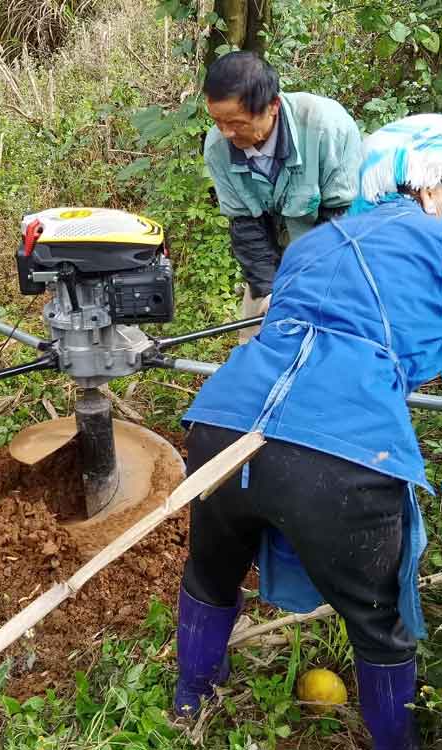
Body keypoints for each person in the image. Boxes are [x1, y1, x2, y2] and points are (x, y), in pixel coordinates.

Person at [174, 114, 442, 750]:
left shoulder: (315, 243)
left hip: (224, 425)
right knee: (377, 622)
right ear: (428, 187)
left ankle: (191, 704)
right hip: (340, 452)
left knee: (211, 571)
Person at [203, 52, 362, 341]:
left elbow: (342, 218)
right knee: (255, 341)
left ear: (273, 105)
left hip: (337, 249)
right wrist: (268, 290)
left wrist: (308, 288)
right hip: (272, 253)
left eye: (237, 123)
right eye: (217, 121)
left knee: (335, 339)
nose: (225, 133)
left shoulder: (327, 128)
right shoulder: (217, 148)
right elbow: (245, 227)